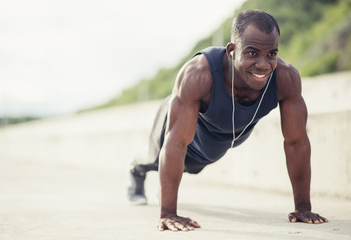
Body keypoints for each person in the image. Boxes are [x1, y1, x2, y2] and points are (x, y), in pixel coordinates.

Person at [127, 9, 328, 231]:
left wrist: (303, 207)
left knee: (190, 167)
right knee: (153, 157)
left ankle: (167, 183)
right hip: (181, 125)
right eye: (252, 53)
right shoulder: (198, 74)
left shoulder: (286, 78)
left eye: (271, 53)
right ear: (232, 51)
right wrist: (168, 213)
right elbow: (176, 143)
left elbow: (296, 143)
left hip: (219, 142)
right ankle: (136, 170)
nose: (263, 64)